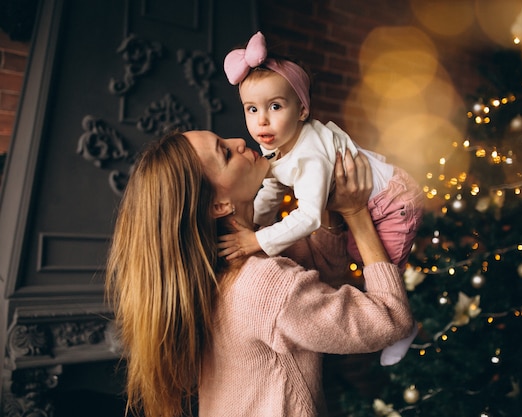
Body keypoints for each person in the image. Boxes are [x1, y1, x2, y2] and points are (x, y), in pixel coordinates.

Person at [105, 129, 414, 417]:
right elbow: (391, 319)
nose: (239, 141)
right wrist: (357, 213)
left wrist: (326, 199)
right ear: (219, 205)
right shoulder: (263, 284)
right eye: (226, 154)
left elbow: (326, 274)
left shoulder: (227, 266)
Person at [222, 31, 422, 365]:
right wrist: (253, 222)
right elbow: (273, 188)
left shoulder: (310, 155)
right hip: (371, 202)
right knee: (359, 254)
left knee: (383, 268)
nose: (262, 121)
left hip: (394, 202)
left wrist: (254, 240)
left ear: (302, 110)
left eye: (275, 106)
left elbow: (311, 216)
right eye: (251, 109)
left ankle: (406, 328)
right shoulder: (274, 146)